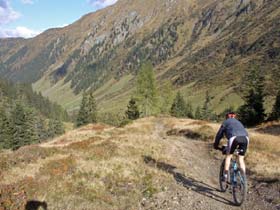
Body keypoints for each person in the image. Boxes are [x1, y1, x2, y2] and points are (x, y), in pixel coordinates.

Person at [213, 112, 249, 181]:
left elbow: (219, 135)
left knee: (229, 156)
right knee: (241, 158)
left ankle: (225, 175)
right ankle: (243, 178)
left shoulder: (226, 122)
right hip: (245, 138)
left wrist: (216, 145)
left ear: (227, 117)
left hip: (234, 138)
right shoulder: (238, 122)